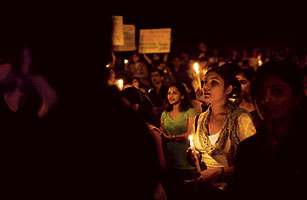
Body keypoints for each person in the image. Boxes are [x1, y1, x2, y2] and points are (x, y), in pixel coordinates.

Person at [229, 61, 306, 198]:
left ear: (296, 97)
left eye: (277, 91)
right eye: (260, 93)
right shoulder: (248, 149)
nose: (266, 100)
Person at [186, 64, 256, 198]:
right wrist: (193, 156)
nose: (206, 87)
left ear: (228, 88)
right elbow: (197, 156)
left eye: (214, 82)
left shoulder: (240, 118)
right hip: (205, 190)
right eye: (205, 82)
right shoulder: (199, 120)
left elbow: (253, 164)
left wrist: (220, 172)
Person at [160, 82, 198, 200]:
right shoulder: (164, 113)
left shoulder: (189, 111)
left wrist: (171, 138)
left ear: (182, 96)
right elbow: (161, 133)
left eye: (174, 93)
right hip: (169, 157)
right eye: (169, 93)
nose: (170, 96)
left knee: (188, 192)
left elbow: (191, 133)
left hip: (184, 157)